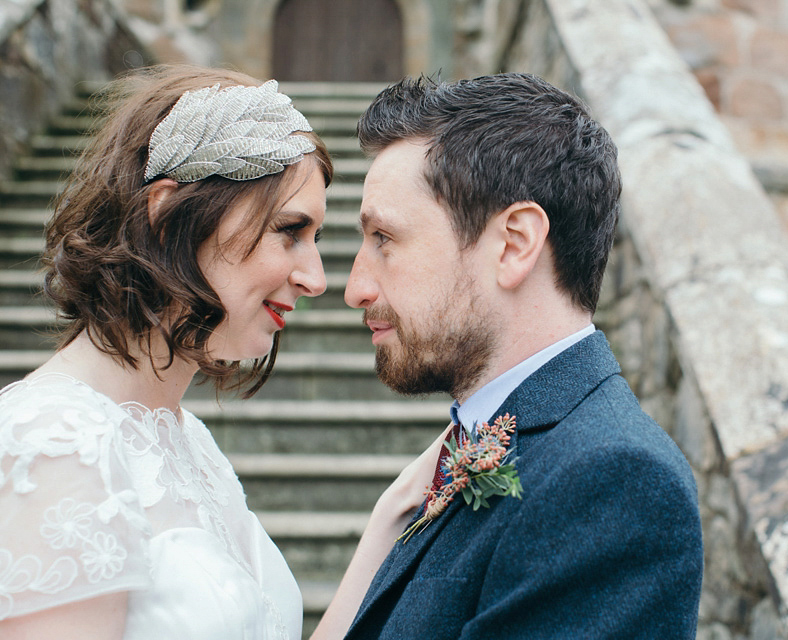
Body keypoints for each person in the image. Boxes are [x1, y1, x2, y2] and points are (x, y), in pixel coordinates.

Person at [0, 65, 439, 640]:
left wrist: (392, 517)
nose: (315, 278)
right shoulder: (51, 445)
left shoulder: (187, 439)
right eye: (289, 230)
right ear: (167, 214)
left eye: (316, 239)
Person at [337, 73, 703, 639]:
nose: (355, 288)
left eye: (384, 239)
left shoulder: (612, 483)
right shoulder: (499, 443)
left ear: (514, 244)